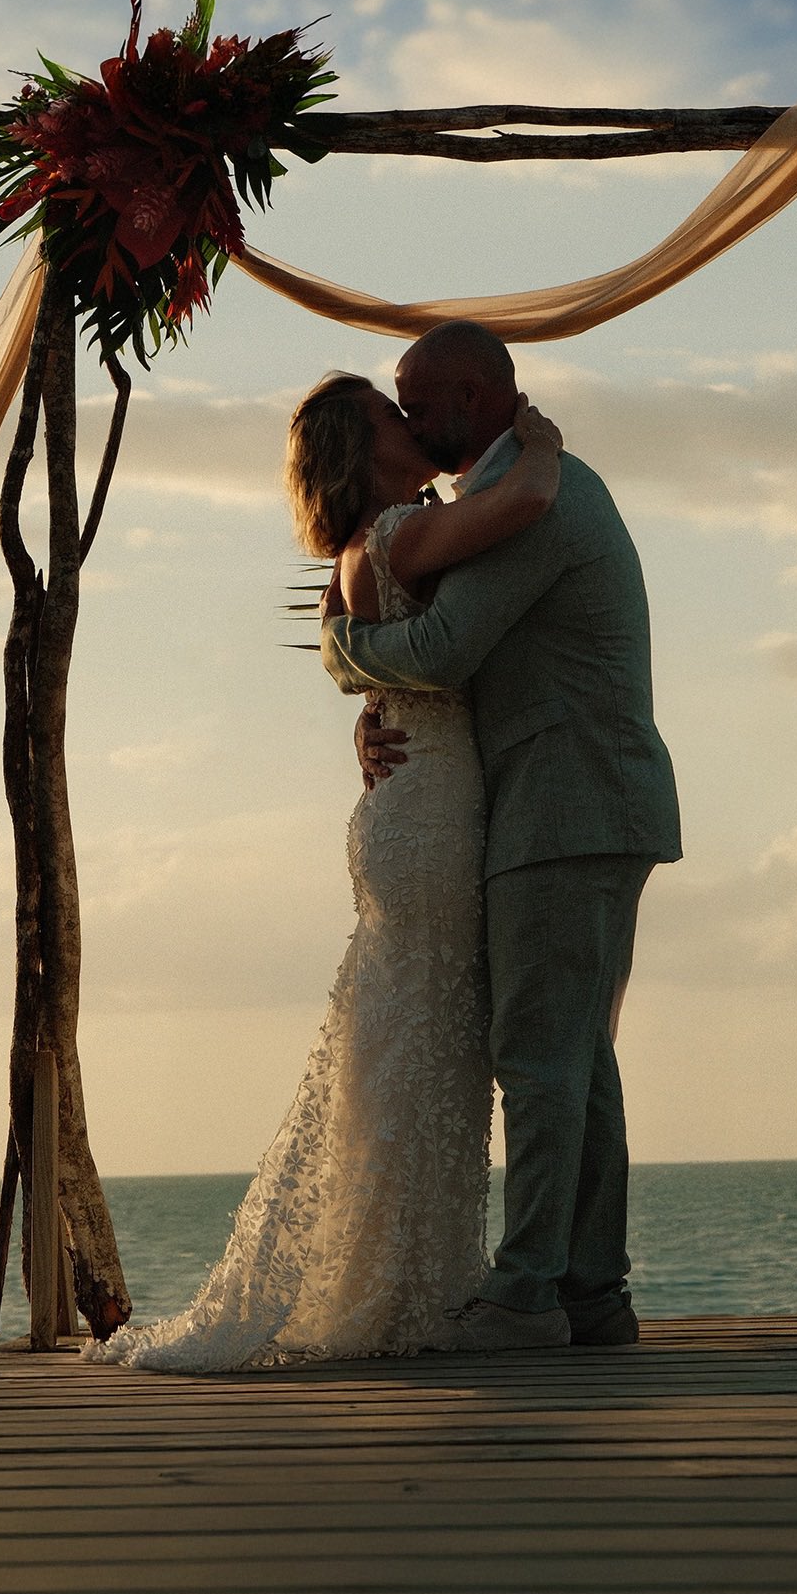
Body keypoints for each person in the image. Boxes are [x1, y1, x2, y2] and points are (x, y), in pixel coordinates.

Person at [85, 370, 563, 1372]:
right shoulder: (397, 535)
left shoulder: (362, 555)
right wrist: (538, 435)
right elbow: (525, 501)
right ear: (361, 447)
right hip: (429, 815)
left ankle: (399, 1283)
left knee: (407, 1046)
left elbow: (382, 657)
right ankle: (398, 1290)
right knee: (427, 1046)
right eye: (392, 415)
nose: (411, 421)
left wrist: (363, 705)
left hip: (406, 808)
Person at [322, 321, 682, 1352]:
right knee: (574, 1054)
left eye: (417, 400)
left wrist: (342, 651)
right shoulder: (501, 492)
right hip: (570, 801)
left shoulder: (535, 496)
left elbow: (442, 650)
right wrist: (369, 707)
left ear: (473, 397)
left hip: (569, 801)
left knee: (538, 1054)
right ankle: (592, 1292)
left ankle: (524, 1295)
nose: (409, 417)